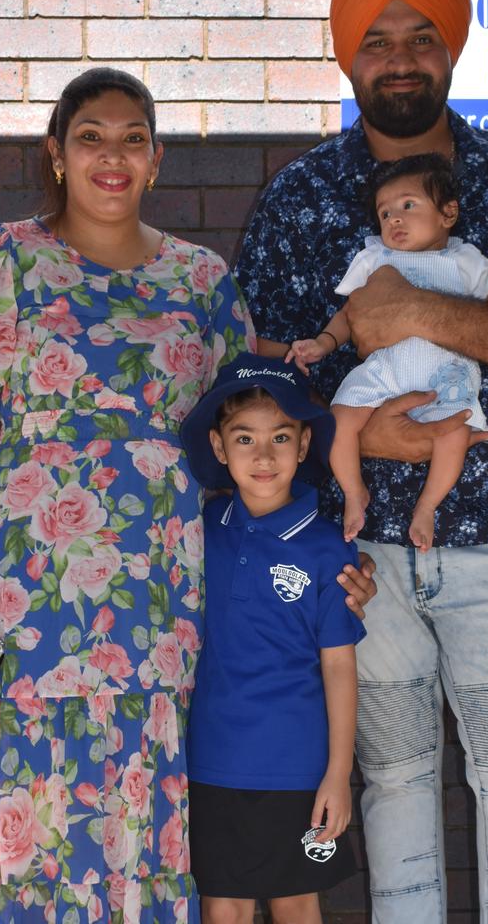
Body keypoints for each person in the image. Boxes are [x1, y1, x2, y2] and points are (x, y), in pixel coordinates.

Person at [236, 0, 488, 923]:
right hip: (360, 557)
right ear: (346, 55)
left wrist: (422, 312)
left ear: (450, 48)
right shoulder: (296, 200)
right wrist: (361, 437)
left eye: (420, 35)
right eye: (376, 38)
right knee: (393, 786)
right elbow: (255, 380)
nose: (398, 56)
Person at [0, 67, 259, 923]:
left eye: (132, 138)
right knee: (34, 809)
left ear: (155, 161)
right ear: (57, 155)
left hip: (167, 596)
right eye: (91, 137)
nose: (112, 155)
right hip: (32, 596)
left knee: (158, 806)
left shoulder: (203, 281)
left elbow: (252, 452)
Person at [179, 353, 365, 924]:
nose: (263, 455)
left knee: (295, 903)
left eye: (281, 437)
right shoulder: (198, 531)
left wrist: (338, 771)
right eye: (244, 438)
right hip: (211, 761)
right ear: (218, 447)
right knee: (223, 904)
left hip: (298, 768)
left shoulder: (330, 549)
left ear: (305, 444)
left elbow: (339, 668)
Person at [286, 153, 488, 551]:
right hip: (387, 369)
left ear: (448, 213)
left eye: (408, 205)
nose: (394, 218)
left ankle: (427, 506)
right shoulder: (375, 258)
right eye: (385, 212)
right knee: (341, 418)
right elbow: (350, 314)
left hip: (444, 371)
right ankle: (354, 490)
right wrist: (323, 343)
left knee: (453, 432)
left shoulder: (466, 260)